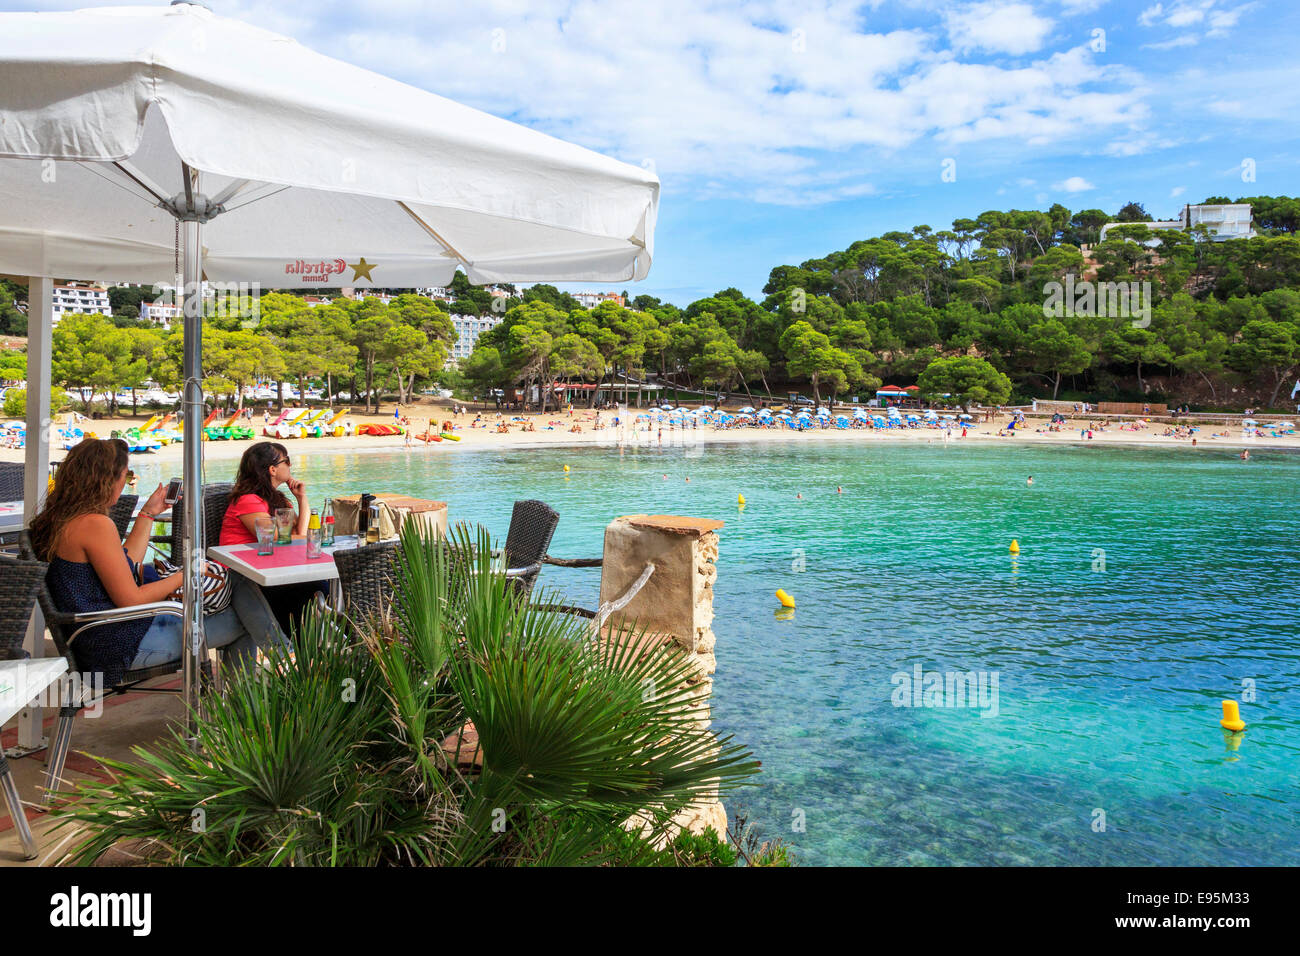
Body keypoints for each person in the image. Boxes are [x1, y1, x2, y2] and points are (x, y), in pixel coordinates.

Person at [29, 438, 285, 687]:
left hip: (95, 637)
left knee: (243, 607)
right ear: (106, 479)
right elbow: (131, 600)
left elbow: (126, 563)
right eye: (126, 477)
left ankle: (248, 698)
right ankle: (264, 684)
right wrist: (187, 575)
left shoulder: (64, 518)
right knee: (246, 621)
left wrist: (149, 513)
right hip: (117, 645)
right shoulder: (94, 524)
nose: (126, 483)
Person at [219, 442, 327, 638]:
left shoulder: (277, 499)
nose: (290, 466)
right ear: (273, 469)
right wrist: (302, 536)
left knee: (319, 585)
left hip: (269, 568)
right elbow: (281, 540)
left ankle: (315, 648)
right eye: (287, 461)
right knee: (308, 589)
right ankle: (302, 651)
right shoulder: (248, 500)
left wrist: (302, 498)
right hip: (241, 576)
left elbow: (299, 532)